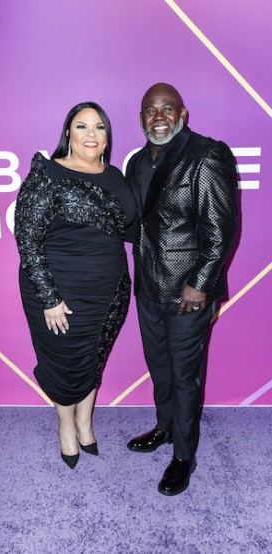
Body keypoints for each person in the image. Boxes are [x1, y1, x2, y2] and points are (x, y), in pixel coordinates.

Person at [125, 83, 238, 495]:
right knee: (159, 366)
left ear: (182, 114)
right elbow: (137, 223)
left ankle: (184, 456)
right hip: (148, 288)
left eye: (167, 108)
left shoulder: (207, 155)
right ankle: (164, 428)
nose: (159, 116)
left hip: (189, 293)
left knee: (185, 376)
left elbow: (221, 229)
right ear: (141, 118)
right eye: (151, 110)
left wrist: (202, 285)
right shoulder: (136, 162)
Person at [15, 102, 136, 469]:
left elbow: (132, 228)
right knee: (64, 364)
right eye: (81, 126)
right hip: (57, 294)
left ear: (107, 136)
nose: (91, 135)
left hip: (110, 291)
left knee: (93, 358)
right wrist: (49, 299)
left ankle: (86, 424)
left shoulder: (116, 176)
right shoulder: (48, 173)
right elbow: (28, 238)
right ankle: (66, 427)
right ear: (68, 132)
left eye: (99, 127)